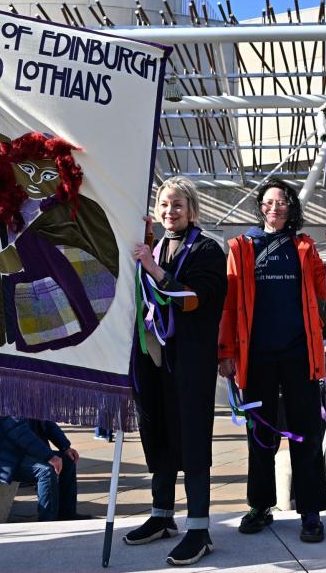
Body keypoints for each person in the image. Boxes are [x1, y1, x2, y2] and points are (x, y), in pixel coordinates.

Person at [218, 179, 326, 543]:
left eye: (282, 201)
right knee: (260, 434)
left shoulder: (305, 246)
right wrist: (226, 353)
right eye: (268, 201)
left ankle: (310, 511)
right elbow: (230, 303)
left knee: (308, 433)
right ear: (260, 207)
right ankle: (260, 505)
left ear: (291, 207)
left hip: (300, 354)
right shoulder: (241, 247)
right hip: (257, 357)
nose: (275, 207)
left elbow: (325, 288)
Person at [123, 176, 226, 566]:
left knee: (192, 441)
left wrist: (153, 268)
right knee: (158, 435)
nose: (170, 211)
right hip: (153, 361)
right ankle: (162, 516)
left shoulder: (207, 249)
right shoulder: (155, 246)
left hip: (189, 363)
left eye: (178, 205)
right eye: (165, 204)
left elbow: (193, 300)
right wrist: (148, 257)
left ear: (192, 209)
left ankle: (199, 528)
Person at [0, 417, 82, 522]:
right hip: (6, 458)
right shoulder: (6, 402)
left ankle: (68, 514)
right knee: (46, 471)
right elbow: (19, 432)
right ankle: (48, 521)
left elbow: (47, 423)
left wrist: (65, 447)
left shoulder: (32, 401)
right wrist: (49, 456)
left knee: (68, 460)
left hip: (27, 452)